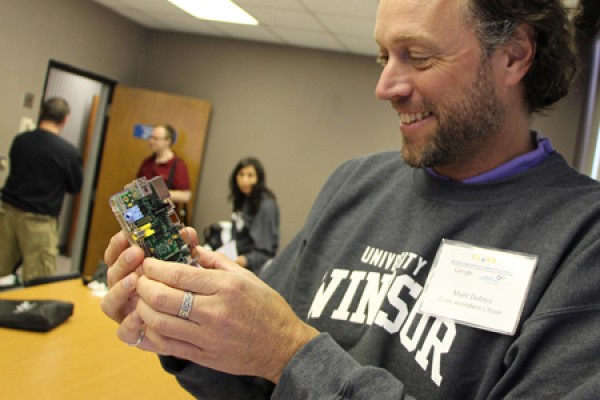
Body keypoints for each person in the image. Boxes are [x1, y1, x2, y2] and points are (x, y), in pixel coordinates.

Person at [101, 0, 600, 398]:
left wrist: (290, 352)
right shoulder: (354, 183)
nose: (384, 86)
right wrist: (186, 327)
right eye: (384, 57)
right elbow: (256, 380)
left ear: (514, 54)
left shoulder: (583, 239)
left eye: (418, 56)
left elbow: (280, 357)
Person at [0, 97, 83, 284]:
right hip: (39, 222)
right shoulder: (68, 152)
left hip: (7, 214)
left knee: (1, 269)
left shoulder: (21, 141)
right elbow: (75, 186)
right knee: (37, 280)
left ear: (41, 113)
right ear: (65, 120)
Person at [227, 157, 279, 273]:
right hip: (235, 256)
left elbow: (264, 252)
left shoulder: (266, 206)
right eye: (241, 174)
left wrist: (242, 260)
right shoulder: (243, 198)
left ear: (258, 178)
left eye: (250, 176)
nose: (244, 180)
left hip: (253, 268)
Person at [137, 124, 191, 219]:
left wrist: (157, 192)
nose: (151, 141)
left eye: (155, 138)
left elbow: (186, 196)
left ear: (168, 141)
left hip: (164, 218)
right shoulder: (147, 162)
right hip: (144, 216)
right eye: (151, 137)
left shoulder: (178, 165)